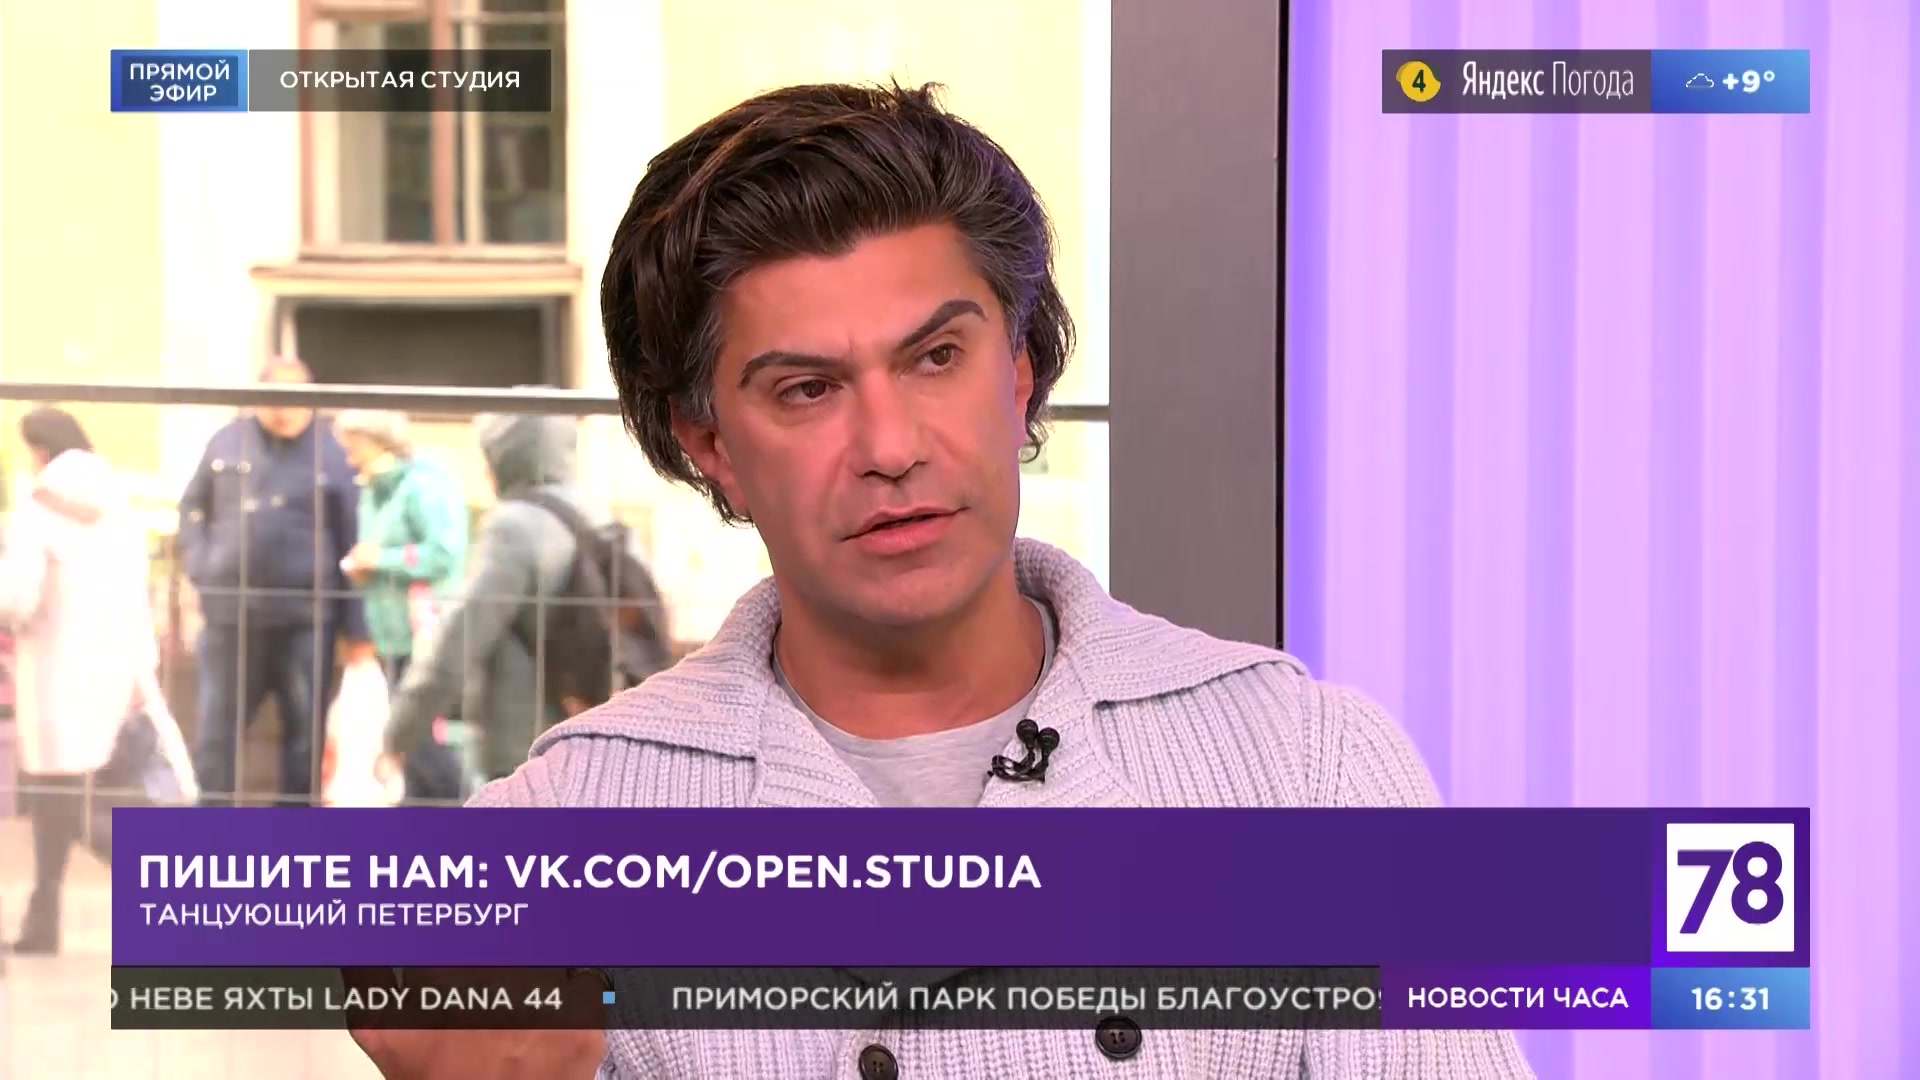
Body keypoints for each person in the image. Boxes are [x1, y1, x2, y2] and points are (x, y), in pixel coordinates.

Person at [350, 84, 1533, 1078]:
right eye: (806, 389)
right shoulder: (566, 833)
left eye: (937, 357)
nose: (891, 445)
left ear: (1018, 375)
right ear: (710, 445)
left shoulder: (1309, 771)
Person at [380, 412, 670, 787]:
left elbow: (459, 641)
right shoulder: (604, 519)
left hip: (523, 747)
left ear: (504, 459)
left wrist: (399, 733)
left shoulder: (512, 527)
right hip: (600, 739)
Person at [0, 408, 159, 954]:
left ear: (39, 449)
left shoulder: (39, 504)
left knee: (65, 800)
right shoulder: (118, 504)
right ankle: (41, 920)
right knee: (67, 798)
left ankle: (184, 893)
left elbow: (17, 597)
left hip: (55, 669)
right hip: (112, 668)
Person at [177, 357, 371, 805]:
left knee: (304, 735)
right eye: (274, 399)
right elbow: (192, 508)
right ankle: (208, 832)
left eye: (295, 400)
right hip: (231, 617)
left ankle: (291, 834)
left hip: (306, 620)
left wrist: (355, 627)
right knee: (217, 733)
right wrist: (203, 566)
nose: (284, 411)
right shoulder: (227, 441)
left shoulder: (332, 450)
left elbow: (351, 536)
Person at [334, 409, 470, 802]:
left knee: (423, 741)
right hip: (392, 634)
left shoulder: (424, 485)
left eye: (353, 446)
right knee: (410, 744)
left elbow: (444, 553)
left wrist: (380, 560)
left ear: (379, 441)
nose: (348, 457)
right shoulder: (372, 490)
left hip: (424, 632)